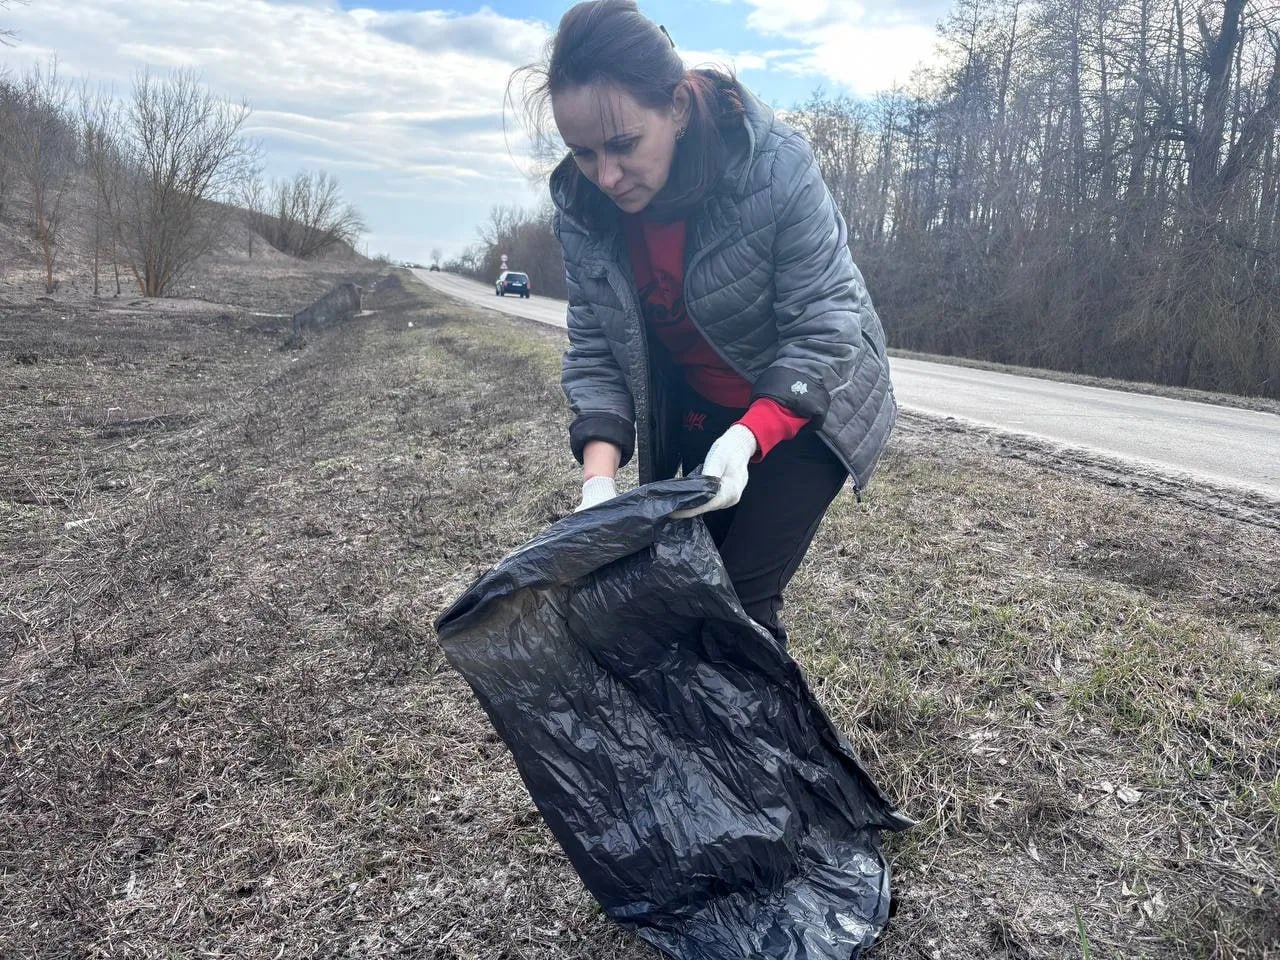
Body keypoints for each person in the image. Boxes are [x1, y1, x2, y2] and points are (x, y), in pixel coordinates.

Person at [522, 0, 895, 645]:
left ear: (677, 108)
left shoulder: (774, 169)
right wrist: (600, 479)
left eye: (623, 145)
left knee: (741, 601)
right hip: (698, 406)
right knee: (686, 586)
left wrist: (752, 436)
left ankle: (764, 744)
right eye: (582, 153)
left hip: (806, 403)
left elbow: (827, 320)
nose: (606, 175)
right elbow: (595, 351)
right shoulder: (583, 208)